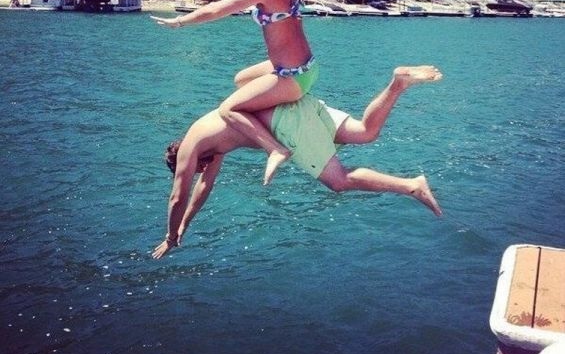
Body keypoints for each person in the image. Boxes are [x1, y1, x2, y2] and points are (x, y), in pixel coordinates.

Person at [152, 65, 443, 259]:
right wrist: (183, 226)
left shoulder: (191, 147)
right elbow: (204, 187)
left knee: (338, 181)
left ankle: (412, 186)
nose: (200, 171)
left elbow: (179, 196)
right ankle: (398, 83)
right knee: (365, 132)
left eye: (193, 169)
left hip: (288, 123)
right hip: (298, 105)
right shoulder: (208, 140)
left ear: (183, 160)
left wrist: (169, 236)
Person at [151, 0, 317, 186]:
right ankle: (269, 108)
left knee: (228, 109)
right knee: (241, 79)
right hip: (303, 67)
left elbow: (217, 9)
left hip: (294, 77)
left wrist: (180, 22)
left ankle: (275, 149)